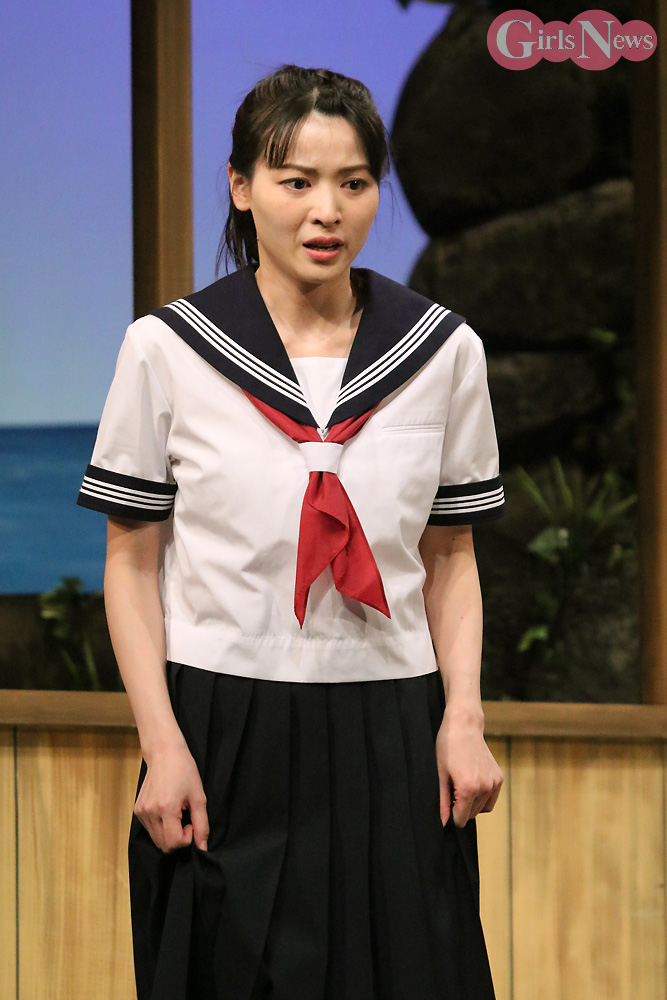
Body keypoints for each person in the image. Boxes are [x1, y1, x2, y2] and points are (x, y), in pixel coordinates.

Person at [77, 64, 506, 1000]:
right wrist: (162, 745)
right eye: (296, 181)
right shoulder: (167, 349)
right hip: (222, 726)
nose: (327, 211)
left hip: (394, 722)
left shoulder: (442, 350)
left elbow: (450, 556)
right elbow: (131, 563)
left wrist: (464, 720)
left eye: (353, 183)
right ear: (241, 186)